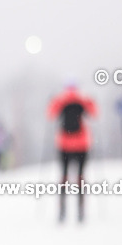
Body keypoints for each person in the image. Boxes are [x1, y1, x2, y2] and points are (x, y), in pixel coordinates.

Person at [47, 82, 97, 222]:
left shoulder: (61, 101)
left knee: (64, 177)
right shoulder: (82, 100)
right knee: (80, 177)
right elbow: (94, 113)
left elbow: (50, 115)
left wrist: (52, 101)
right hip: (82, 144)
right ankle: (81, 211)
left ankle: (62, 211)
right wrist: (91, 100)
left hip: (64, 144)